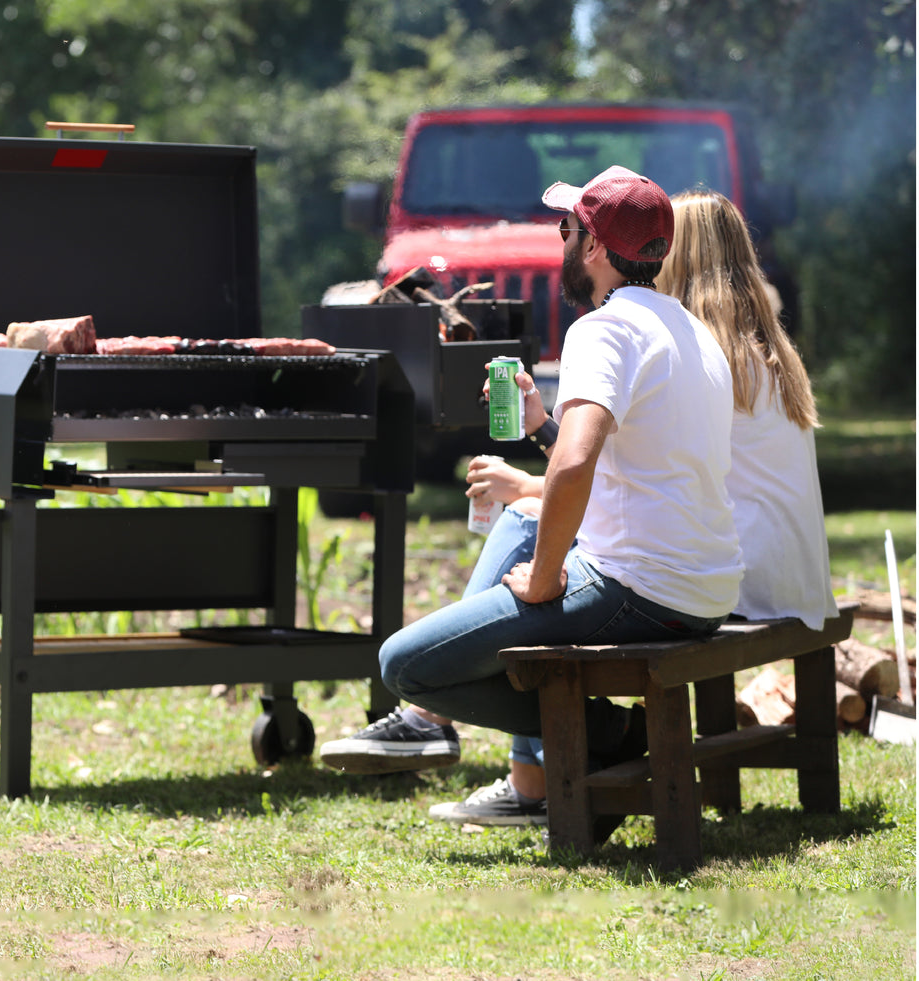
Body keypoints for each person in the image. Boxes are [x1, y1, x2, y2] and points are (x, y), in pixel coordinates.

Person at [428, 188, 838, 828]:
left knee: (523, 526)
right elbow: (648, 478)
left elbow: (650, 487)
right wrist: (543, 439)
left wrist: (531, 488)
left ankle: (514, 763)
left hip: (729, 573)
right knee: (532, 520)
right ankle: (529, 764)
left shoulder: (697, 350)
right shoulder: (748, 349)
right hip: (771, 568)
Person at [340, 165, 744, 805]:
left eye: (566, 227)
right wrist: (543, 427)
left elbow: (579, 462)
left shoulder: (603, 329)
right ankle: (551, 760)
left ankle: (609, 732)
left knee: (405, 664)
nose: (561, 241)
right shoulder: (690, 330)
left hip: (640, 586)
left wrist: (546, 573)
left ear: (592, 246)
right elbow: (630, 461)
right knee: (523, 523)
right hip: (707, 586)